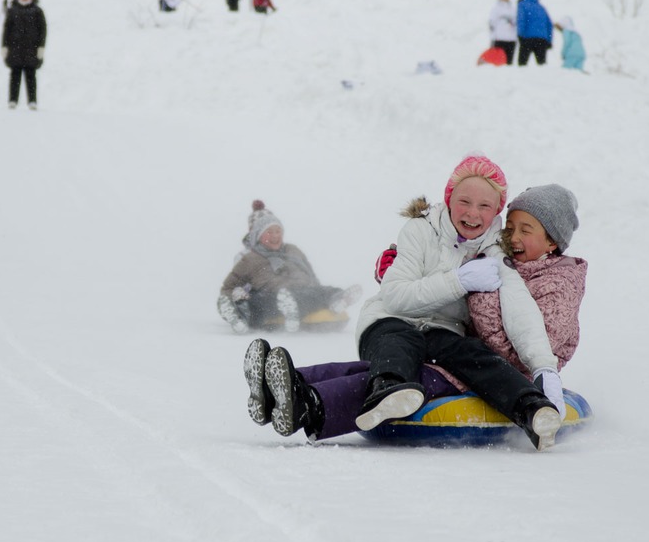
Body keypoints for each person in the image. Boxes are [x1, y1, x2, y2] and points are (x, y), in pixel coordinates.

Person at [244, 156, 567, 451]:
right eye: (464, 201)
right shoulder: (420, 230)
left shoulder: (498, 250)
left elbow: (518, 305)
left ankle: (531, 408)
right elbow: (396, 296)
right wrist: (459, 281)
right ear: (448, 199)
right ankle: (389, 390)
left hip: (442, 332)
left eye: (484, 206)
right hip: (390, 320)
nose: (472, 213)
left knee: (472, 355)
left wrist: (543, 367)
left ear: (496, 211)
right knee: (400, 347)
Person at [218, 200, 361, 334]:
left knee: (323, 291)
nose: (275, 236)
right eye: (269, 232)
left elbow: (310, 274)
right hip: (272, 295)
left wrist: (319, 291)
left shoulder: (292, 250)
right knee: (262, 302)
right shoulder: (249, 259)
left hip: (303, 290)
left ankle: (338, 300)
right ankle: (240, 313)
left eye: (277, 231)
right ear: (258, 236)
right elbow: (229, 287)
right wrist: (236, 296)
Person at [2, 0, 47, 110]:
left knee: (31, 76)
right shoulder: (13, 11)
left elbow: (43, 30)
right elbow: (6, 30)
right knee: (15, 75)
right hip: (15, 49)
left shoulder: (37, 11)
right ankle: (13, 100)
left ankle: (32, 101)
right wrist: (4, 46)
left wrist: (41, 47)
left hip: (31, 49)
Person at [516, 0, 553, 66]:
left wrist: (520, 34)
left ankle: (521, 78)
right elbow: (549, 25)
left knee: (522, 65)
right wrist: (549, 41)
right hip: (542, 39)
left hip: (527, 38)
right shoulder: (541, 7)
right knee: (542, 65)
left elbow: (521, 20)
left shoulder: (522, 4)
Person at [488, 0, 517, 65]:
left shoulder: (512, 8)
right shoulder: (496, 8)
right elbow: (492, 24)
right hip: (499, 39)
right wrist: (493, 37)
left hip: (511, 39)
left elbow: (516, 22)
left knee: (509, 63)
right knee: (499, 63)